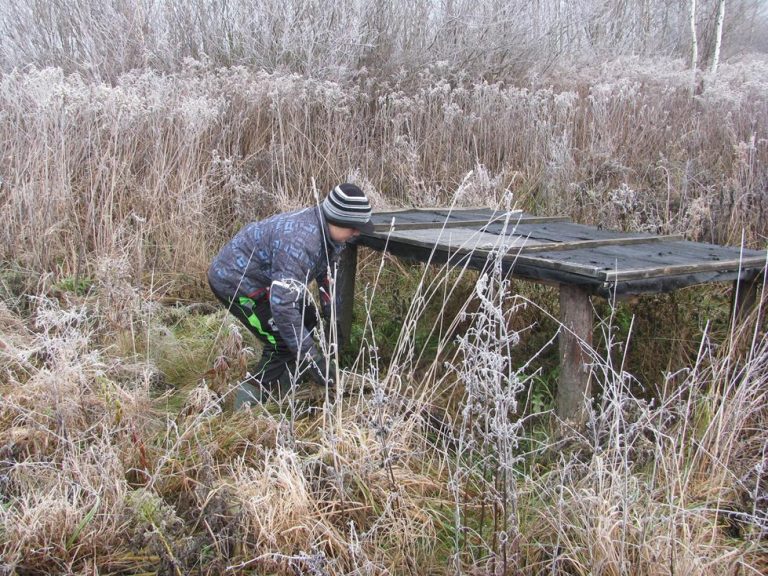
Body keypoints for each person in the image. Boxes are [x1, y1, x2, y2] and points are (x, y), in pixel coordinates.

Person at [208, 183, 374, 408]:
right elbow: (283, 309)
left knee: (307, 320)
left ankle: (286, 381)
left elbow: (326, 273)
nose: (357, 233)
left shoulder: (329, 233)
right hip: (236, 283)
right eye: (353, 228)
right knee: (282, 343)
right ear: (337, 220)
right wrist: (313, 360)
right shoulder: (302, 243)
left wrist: (331, 316)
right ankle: (247, 406)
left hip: (269, 279)